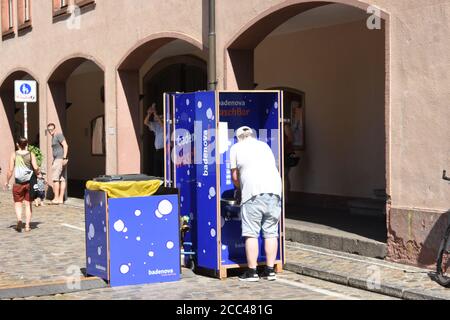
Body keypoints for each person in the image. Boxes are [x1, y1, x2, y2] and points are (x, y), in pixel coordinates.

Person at [230, 126, 282, 282]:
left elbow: (234, 176)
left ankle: (252, 272)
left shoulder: (236, 148)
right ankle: (270, 270)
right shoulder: (264, 146)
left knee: (251, 233)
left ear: (239, 137)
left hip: (253, 192)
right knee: (271, 232)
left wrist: (239, 188)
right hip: (274, 190)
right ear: (252, 135)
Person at [4, 137, 41, 233]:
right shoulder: (30, 154)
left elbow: (10, 170)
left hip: (18, 183)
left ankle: (19, 220)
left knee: (18, 203)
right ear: (26, 144)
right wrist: (38, 174)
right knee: (28, 204)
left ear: (17, 144)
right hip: (29, 182)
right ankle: (28, 226)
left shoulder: (14, 155)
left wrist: (7, 181)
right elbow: (36, 167)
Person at [47, 123, 69, 205]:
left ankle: (56, 198)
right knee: (62, 179)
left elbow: (65, 145)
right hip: (58, 159)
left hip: (59, 159)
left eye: (52, 129)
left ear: (55, 129)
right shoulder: (53, 137)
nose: (50, 131)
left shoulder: (58, 135)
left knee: (55, 179)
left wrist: (64, 158)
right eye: (49, 130)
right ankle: (60, 199)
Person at [144, 103, 164, 177]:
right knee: (157, 170)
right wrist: (149, 114)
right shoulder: (156, 126)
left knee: (163, 170)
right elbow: (146, 122)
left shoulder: (166, 125)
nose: (157, 119)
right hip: (157, 150)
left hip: (165, 150)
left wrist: (155, 113)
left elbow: (162, 125)